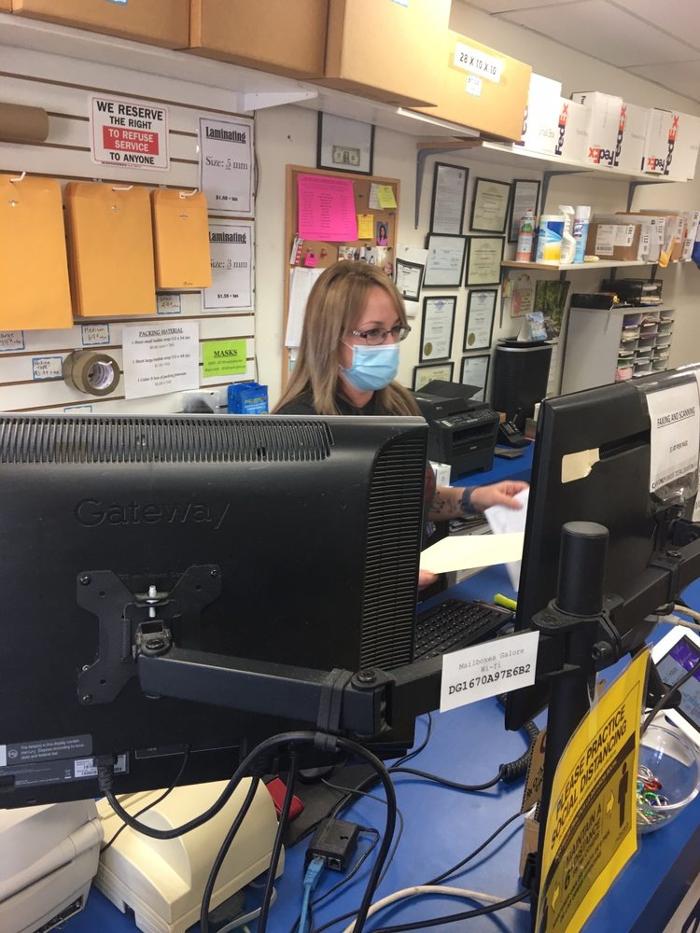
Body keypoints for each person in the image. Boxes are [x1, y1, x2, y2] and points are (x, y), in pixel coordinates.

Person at [275, 261, 528, 585]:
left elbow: (416, 500)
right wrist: (383, 575)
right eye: (373, 332)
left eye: (395, 330)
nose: (389, 343)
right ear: (329, 338)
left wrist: (476, 498)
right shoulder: (298, 430)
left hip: (406, 597)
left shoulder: (398, 407)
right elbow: (292, 556)